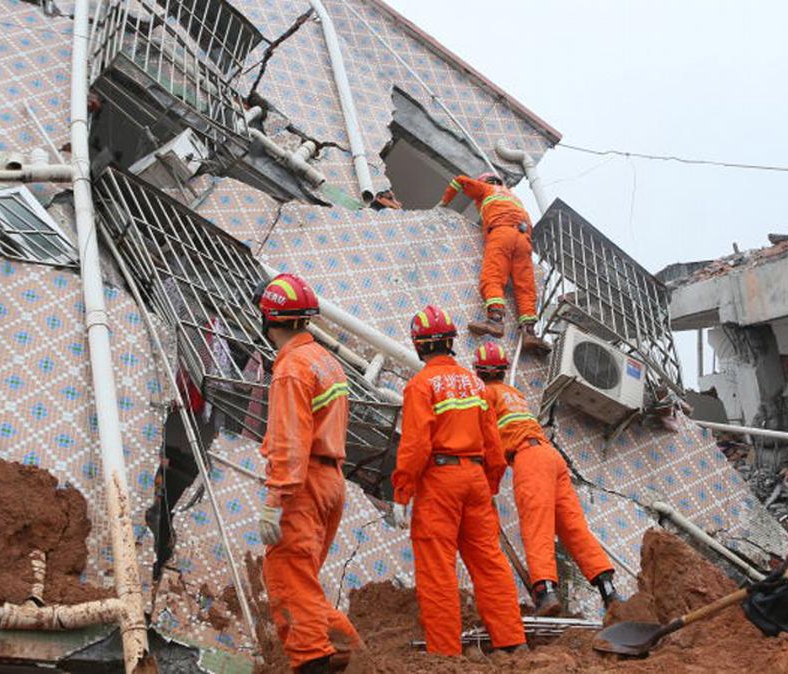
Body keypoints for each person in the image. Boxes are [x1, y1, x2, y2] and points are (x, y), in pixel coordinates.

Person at [390, 305, 527, 656]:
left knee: (437, 568)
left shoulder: (421, 385)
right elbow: (494, 444)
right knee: (489, 562)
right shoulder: (475, 384)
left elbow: (417, 444)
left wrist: (402, 492)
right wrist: (489, 486)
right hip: (476, 479)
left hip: (440, 480)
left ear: (419, 346)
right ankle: (511, 642)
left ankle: (445, 653)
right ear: (450, 342)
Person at [254, 273, 361, 673]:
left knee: (287, 578)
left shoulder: (293, 367)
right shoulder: (326, 361)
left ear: (269, 319)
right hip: (331, 481)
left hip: (303, 485)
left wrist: (275, 500)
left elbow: (289, 440)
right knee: (303, 583)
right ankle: (353, 653)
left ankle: (315, 660)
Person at [472, 341, 621, 616]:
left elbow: (485, 442)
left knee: (536, 525)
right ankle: (609, 591)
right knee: (573, 527)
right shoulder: (514, 393)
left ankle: (545, 592)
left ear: (478, 372)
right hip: (551, 457)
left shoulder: (484, 396)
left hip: (528, 459)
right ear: (504, 370)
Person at [438, 172, 550, 355]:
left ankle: (495, 320)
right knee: (525, 286)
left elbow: (460, 180)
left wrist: (444, 202)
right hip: (524, 240)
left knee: (493, 276)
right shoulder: (513, 197)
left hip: (502, 233)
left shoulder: (486, 189)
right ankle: (529, 333)